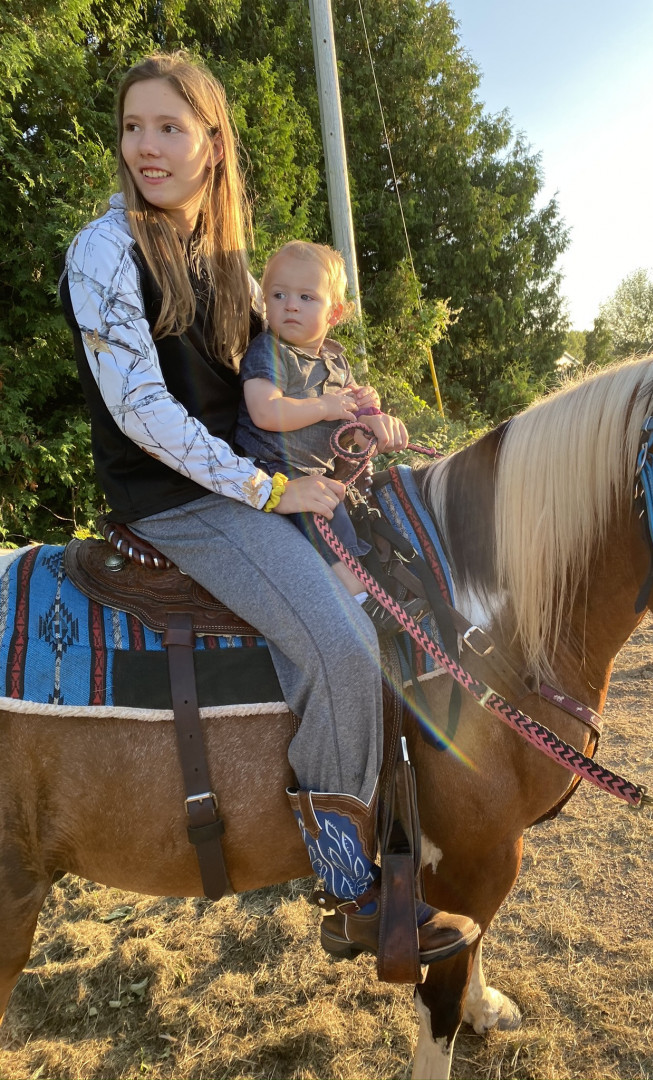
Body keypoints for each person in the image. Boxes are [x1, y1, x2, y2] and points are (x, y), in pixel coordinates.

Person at [59, 52, 478, 967]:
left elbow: (290, 365)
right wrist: (273, 489)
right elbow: (143, 412)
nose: (147, 146)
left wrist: (360, 416)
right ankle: (350, 890)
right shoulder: (103, 249)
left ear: (213, 145)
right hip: (175, 500)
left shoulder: (227, 264)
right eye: (135, 126)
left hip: (241, 484)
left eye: (170, 127)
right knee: (338, 642)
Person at [234, 240, 406, 604]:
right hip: (270, 469)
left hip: (317, 474)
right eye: (278, 294)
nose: (291, 305)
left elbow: (352, 425)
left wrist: (368, 424)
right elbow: (265, 412)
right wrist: (325, 407)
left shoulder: (336, 363)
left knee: (351, 517)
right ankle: (355, 598)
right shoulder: (269, 351)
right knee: (318, 518)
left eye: (306, 297)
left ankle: (374, 577)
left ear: (336, 312)